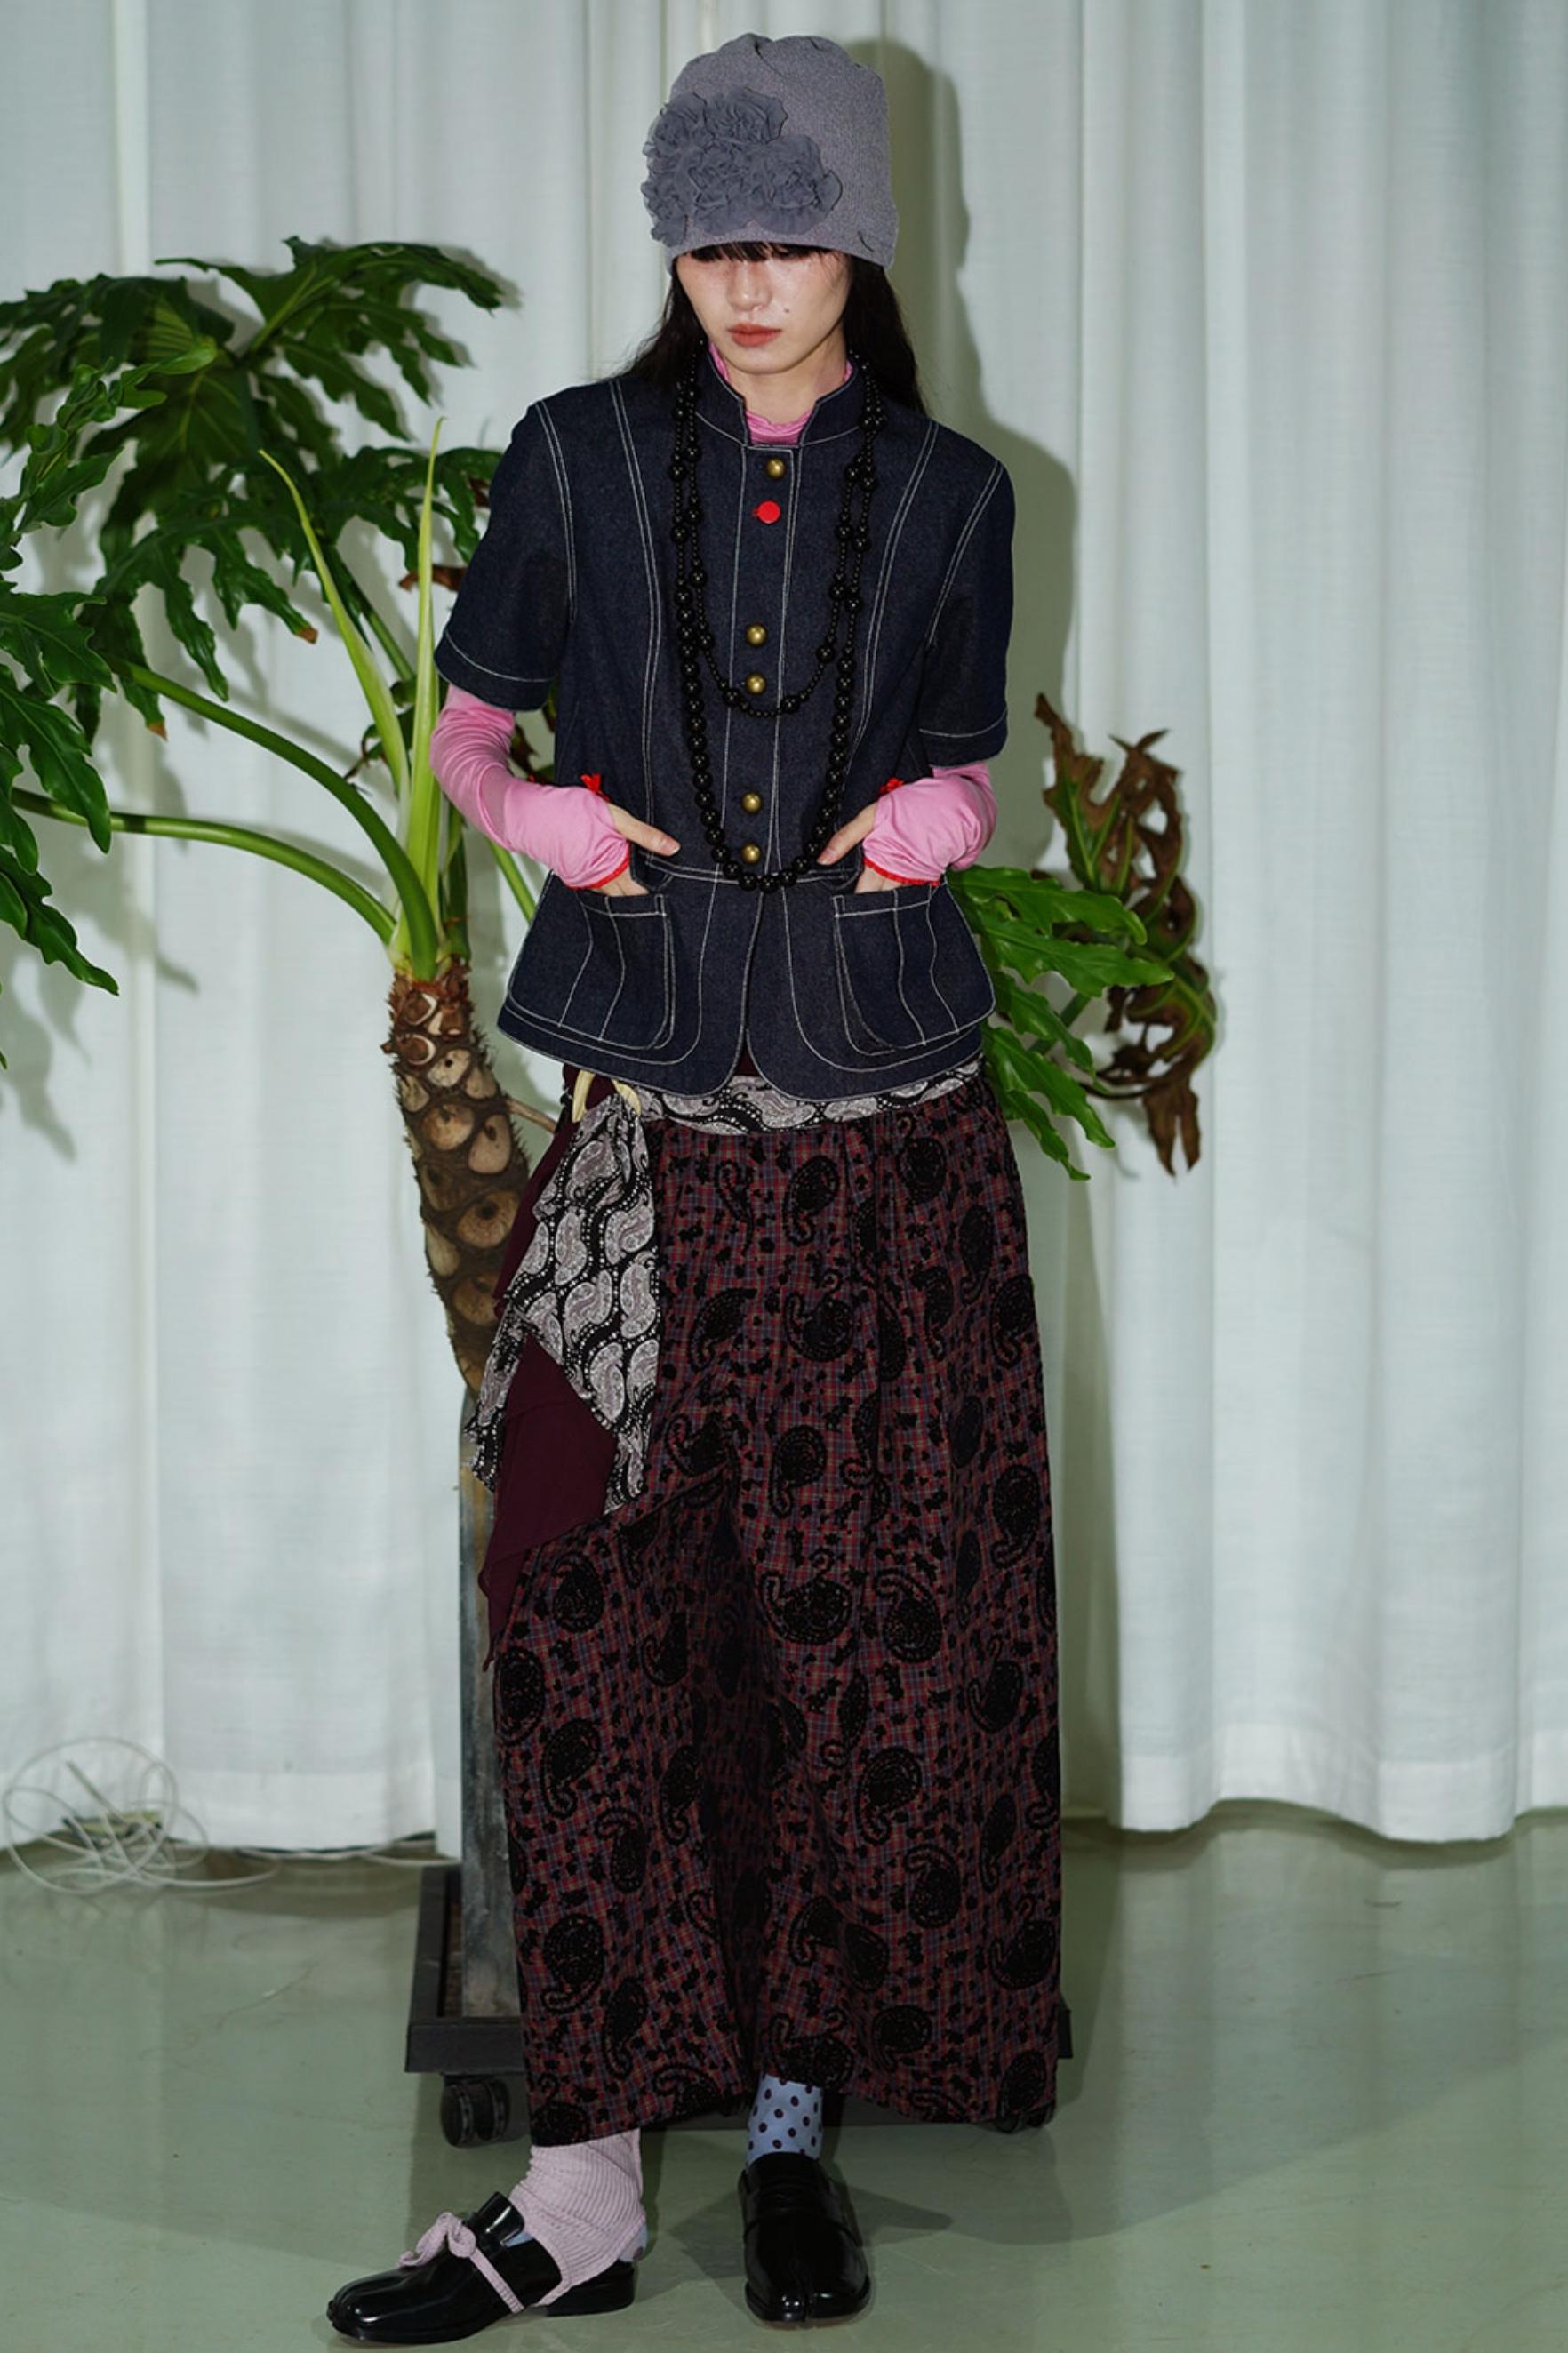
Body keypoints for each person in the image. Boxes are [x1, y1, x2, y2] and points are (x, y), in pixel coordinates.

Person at [327, 29, 1068, 2342]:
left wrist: (948, 815)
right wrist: (528, 813)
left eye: (791, 241)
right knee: (572, 1599)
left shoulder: (955, 494)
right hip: (639, 1142)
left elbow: (969, 754)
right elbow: (467, 725)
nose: (747, 285)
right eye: (711, 242)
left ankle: (783, 2136)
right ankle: (578, 2188)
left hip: (886, 1153)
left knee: (847, 1651)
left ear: (867, 245)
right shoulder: (569, 457)